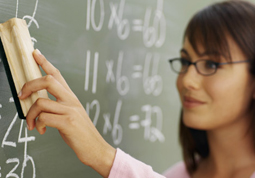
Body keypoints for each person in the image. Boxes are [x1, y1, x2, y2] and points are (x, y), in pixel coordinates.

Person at [17, 0, 255, 177]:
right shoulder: (178, 174)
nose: (187, 80)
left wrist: (103, 155)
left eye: (211, 64)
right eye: (185, 62)